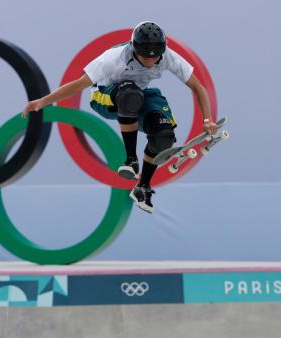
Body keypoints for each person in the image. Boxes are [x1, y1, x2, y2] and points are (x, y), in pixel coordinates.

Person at [21, 21, 217, 213]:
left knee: (163, 134)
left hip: (140, 96)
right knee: (130, 94)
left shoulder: (167, 56)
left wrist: (207, 119)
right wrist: (43, 101)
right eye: (144, 57)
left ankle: (143, 188)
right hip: (105, 96)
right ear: (134, 49)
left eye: (155, 57)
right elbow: (78, 85)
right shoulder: (114, 58)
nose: (150, 62)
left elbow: (197, 87)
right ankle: (130, 159)